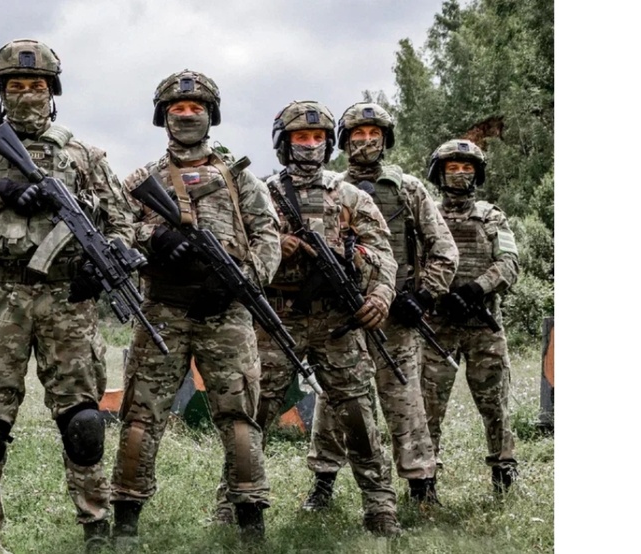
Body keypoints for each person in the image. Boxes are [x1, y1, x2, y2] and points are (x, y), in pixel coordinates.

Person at [0, 38, 133, 554]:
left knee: (83, 422)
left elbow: (124, 222)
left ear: (52, 91)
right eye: (15, 85)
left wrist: (105, 262)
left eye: (36, 85)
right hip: (0, 298)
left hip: (69, 299)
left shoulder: (85, 156)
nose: (26, 94)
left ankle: (95, 525)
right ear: (0, 91)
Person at [110, 69, 280, 547]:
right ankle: (125, 518)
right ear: (163, 117)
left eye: (196, 108)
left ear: (211, 115)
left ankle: (250, 519)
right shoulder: (141, 180)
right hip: (162, 310)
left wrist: (242, 284)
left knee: (239, 416)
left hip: (226, 313)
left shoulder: (240, 179)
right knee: (141, 416)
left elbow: (267, 237)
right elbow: (116, 231)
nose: (187, 116)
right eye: (177, 109)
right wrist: (155, 237)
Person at [302, 102, 459, 506]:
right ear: (344, 140)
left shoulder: (408, 189)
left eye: (375, 134)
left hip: (397, 316)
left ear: (386, 140)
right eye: (358, 134)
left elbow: (444, 250)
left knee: (405, 401)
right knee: (334, 401)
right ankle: (323, 484)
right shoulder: (329, 189)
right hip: (344, 316)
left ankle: (421, 486)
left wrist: (422, 295)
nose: (367, 141)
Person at [257, 101, 401, 536]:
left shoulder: (349, 195)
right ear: (285, 144)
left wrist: (379, 294)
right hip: (278, 319)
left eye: (318, 138)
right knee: (254, 413)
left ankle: (380, 506)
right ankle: (238, 502)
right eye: (301, 137)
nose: (311, 145)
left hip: (337, 321)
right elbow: (237, 247)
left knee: (357, 414)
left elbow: (385, 255)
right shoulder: (260, 194)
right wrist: (276, 244)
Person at [420, 138, 520, 494]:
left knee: (495, 405)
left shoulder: (491, 216)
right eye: (453, 168)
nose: (460, 174)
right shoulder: (427, 215)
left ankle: (504, 471)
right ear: (439, 173)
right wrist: (437, 293)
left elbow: (509, 264)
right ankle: (424, 480)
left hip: (483, 326)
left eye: (467, 168)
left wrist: (476, 289)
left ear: (477, 174)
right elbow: (414, 263)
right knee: (429, 407)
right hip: (437, 327)